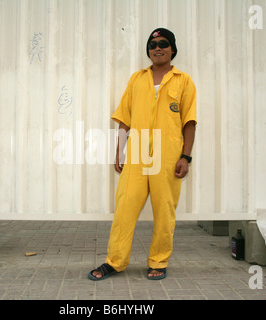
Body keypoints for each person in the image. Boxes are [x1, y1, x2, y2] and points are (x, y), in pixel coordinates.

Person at [88, 28, 197, 281]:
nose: (157, 48)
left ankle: (158, 261)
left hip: (168, 156)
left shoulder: (184, 81)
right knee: (125, 208)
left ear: (172, 50)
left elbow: (189, 122)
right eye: (152, 44)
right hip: (136, 155)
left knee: (164, 211)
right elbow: (124, 119)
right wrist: (119, 151)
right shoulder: (137, 79)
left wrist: (186, 156)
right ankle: (114, 261)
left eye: (163, 43)